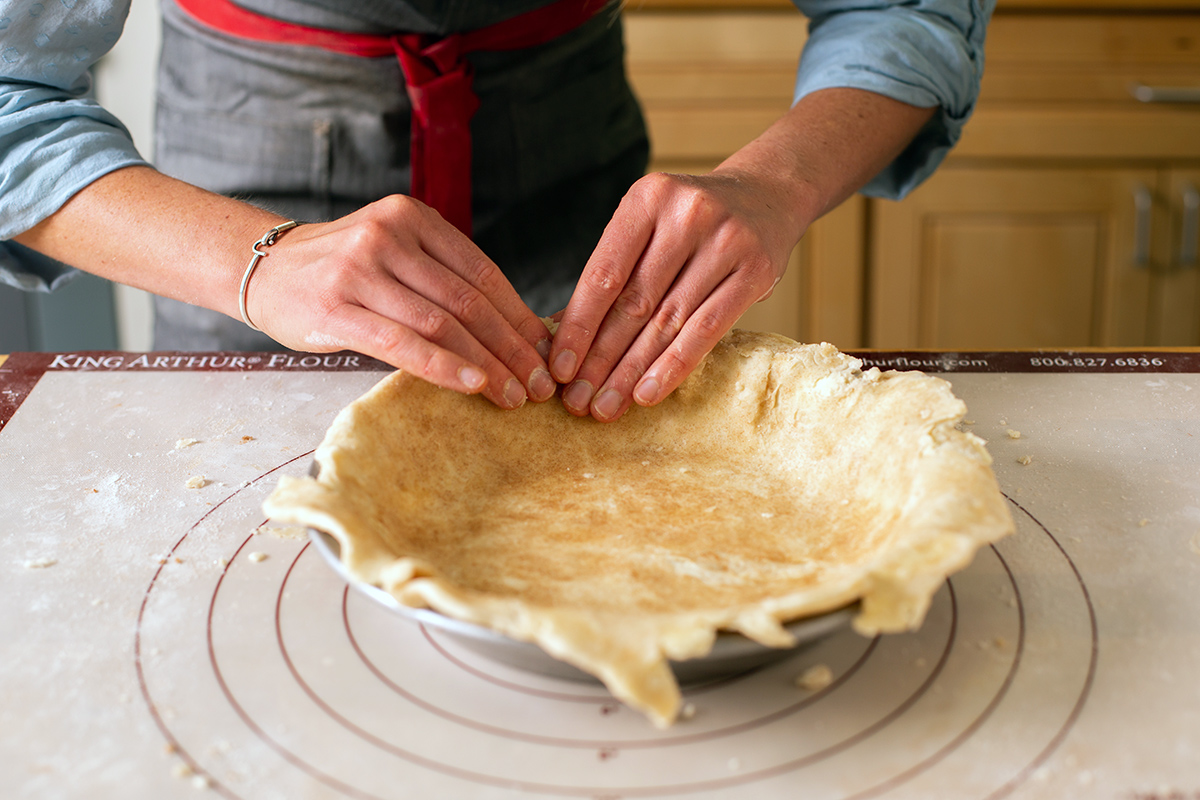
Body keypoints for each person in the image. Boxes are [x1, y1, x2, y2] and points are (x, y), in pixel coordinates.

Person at [1, 0, 991, 421]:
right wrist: (253, 263)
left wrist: (777, 183)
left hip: (574, 168)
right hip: (243, 178)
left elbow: (904, 10)